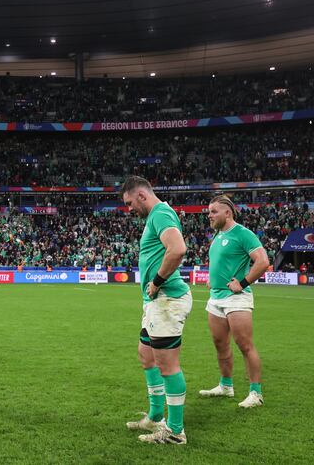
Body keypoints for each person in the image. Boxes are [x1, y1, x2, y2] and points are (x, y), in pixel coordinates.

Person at [121, 176, 192, 445]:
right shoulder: (155, 217)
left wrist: (158, 281)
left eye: (129, 203)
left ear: (141, 195)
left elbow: (178, 249)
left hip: (167, 299)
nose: (129, 209)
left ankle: (175, 431)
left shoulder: (161, 213)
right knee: (146, 355)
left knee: (166, 364)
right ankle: (155, 415)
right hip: (156, 302)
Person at [199, 195, 269, 408]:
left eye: (213, 212)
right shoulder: (218, 235)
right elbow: (222, 262)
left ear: (227, 213)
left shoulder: (243, 234)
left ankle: (255, 394)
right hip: (216, 297)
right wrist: (213, 279)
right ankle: (226, 386)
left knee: (244, 345)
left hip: (236, 299)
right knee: (220, 344)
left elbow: (263, 261)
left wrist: (242, 282)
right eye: (209, 212)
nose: (209, 216)